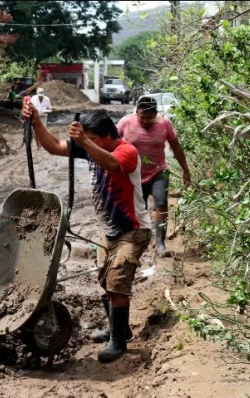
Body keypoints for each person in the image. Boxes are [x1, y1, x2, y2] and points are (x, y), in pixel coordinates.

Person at [22, 103, 152, 363]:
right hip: (110, 231)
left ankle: (118, 342)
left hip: (133, 230)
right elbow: (54, 147)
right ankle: (120, 329)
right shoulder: (94, 148)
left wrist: (85, 142)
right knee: (106, 282)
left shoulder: (126, 151)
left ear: (108, 135)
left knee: (117, 285)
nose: (88, 144)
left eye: (93, 139)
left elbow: (113, 165)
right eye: (87, 140)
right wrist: (36, 122)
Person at [117, 96, 191, 258]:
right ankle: (136, 241)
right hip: (134, 174)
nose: (145, 121)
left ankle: (160, 243)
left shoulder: (164, 124)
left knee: (161, 205)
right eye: (142, 117)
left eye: (149, 118)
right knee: (137, 209)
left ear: (155, 115)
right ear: (136, 112)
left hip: (159, 171)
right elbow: (112, 145)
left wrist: (185, 170)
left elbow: (176, 147)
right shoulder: (126, 122)